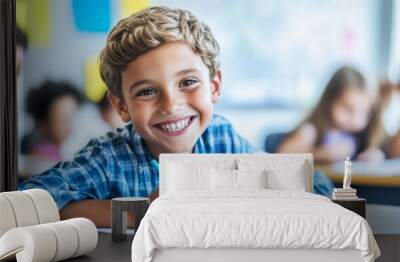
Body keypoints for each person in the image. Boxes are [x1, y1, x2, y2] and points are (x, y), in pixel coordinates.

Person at [19, 7, 333, 227]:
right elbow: (28, 201)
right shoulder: (110, 156)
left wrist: (246, 187)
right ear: (122, 106)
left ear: (214, 86)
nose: (171, 105)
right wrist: (140, 211)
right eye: (146, 91)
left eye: (187, 83)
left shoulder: (221, 138)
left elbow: (316, 187)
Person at [278, 66, 385, 163]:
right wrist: (323, 154)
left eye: (364, 111)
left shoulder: (365, 136)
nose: (355, 119)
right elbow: (283, 156)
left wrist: (375, 156)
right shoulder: (310, 130)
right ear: (329, 101)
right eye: (347, 108)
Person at [21, 81, 83, 162]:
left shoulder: (60, 151)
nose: (70, 124)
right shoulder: (43, 157)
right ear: (43, 122)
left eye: (72, 116)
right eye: (63, 119)